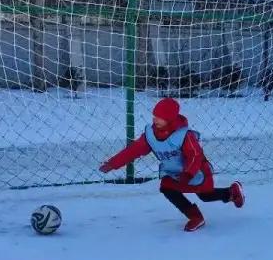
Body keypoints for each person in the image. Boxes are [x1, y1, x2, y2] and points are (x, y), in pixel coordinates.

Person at [99, 97, 244, 232]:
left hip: (196, 171)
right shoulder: (151, 135)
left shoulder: (184, 135)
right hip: (175, 173)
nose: (155, 119)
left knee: (204, 196)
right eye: (154, 116)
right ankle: (195, 217)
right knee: (166, 187)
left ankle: (232, 192)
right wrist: (113, 163)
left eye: (160, 117)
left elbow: (195, 155)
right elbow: (133, 150)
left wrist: (188, 173)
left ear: (169, 119)